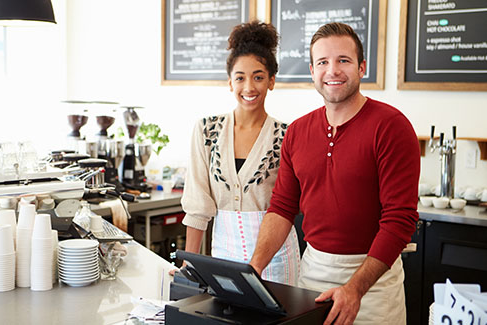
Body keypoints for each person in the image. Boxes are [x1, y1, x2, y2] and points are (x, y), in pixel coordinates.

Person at [249, 22, 420, 324]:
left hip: (373, 287)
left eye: (343, 60)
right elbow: (282, 208)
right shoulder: (297, 132)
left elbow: (399, 219)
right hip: (312, 276)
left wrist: (354, 289)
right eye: (323, 62)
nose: (333, 70)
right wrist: (253, 269)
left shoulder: (392, 127)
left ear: (361, 67)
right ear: (312, 71)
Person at [179, 21, 300, 286]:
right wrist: (189, 262)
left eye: (258, 77)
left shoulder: (288, 135)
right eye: (240, 77)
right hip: (223, 253)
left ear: (272, 81)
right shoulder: (206, 131)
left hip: (276, 258)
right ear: (229, 82)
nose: (249, 87)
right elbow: (198, 205)